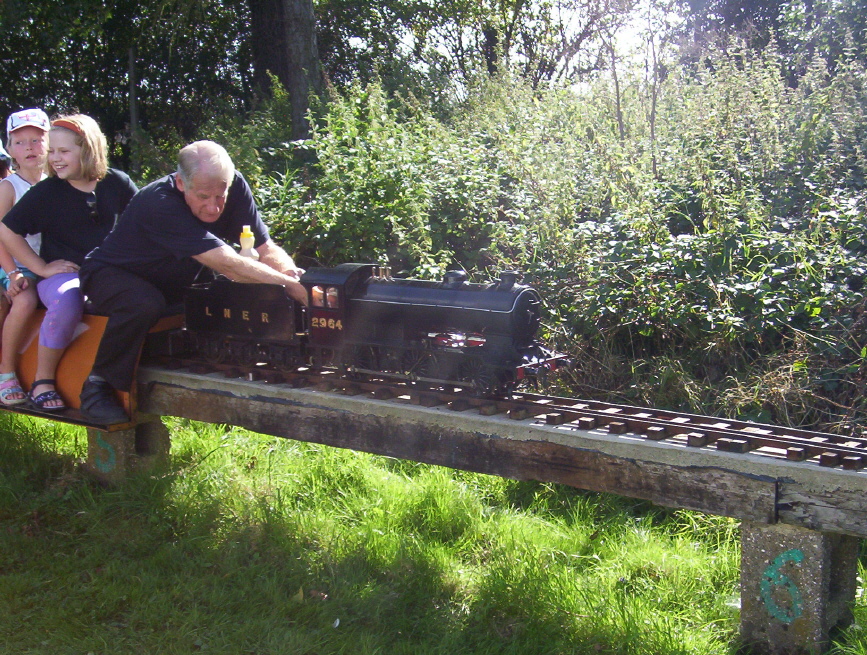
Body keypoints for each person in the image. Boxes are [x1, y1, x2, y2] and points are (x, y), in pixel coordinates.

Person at [78, 140, 306, 424]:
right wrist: (288, 286)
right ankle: (97, 385)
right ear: (180, 183)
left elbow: (265, 247)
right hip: (111, 274)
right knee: (144, 303)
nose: (213, 208)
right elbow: (228, 264)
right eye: (203, 197)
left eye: (220, 196)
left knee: (217, 294)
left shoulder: (233, 184)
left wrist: (292, 274)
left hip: (172, 276)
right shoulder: (159, 203)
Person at [0, 114, 137, 411]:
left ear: (88, 149)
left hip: (106, 272)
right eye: (52, 151)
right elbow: (7, 230)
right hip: (64, 274)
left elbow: (143, 223)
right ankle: (42, 380)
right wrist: (39, 267)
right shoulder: (46, 192)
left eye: (63, 151)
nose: (55, 158)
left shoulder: (117, 182)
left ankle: (112, 382)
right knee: (69, 298)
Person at [0, 109, 50, 405]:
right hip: (14, 264)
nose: (29, 148)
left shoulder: (54, 184)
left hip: (47, 263)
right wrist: (12, 273)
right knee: (25, 300)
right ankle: (6, 372)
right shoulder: (9, 187)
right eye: (20, 142)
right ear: (10, 149)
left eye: (36, 140)